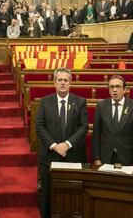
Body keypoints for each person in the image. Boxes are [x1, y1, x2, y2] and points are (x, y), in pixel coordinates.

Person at [35, 68, 88, 218]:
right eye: (60, 80)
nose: (63, 83)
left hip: (73, 155)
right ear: (54, 82)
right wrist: (54, 146)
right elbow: (39, 126)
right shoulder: (45, 102)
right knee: (47, 195)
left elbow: (83, 127)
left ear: (70, 83)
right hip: (50, 157)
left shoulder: (80, 102)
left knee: (73, 195)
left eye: (66, 80)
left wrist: (67, 144)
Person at [92, 75, 133, 167]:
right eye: (111, 87)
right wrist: (96, 158)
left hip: (127, 158)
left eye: (118, 86)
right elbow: (96, 135)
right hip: (105, 157)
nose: (114, 90)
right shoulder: (101, 106)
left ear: (124, 89)